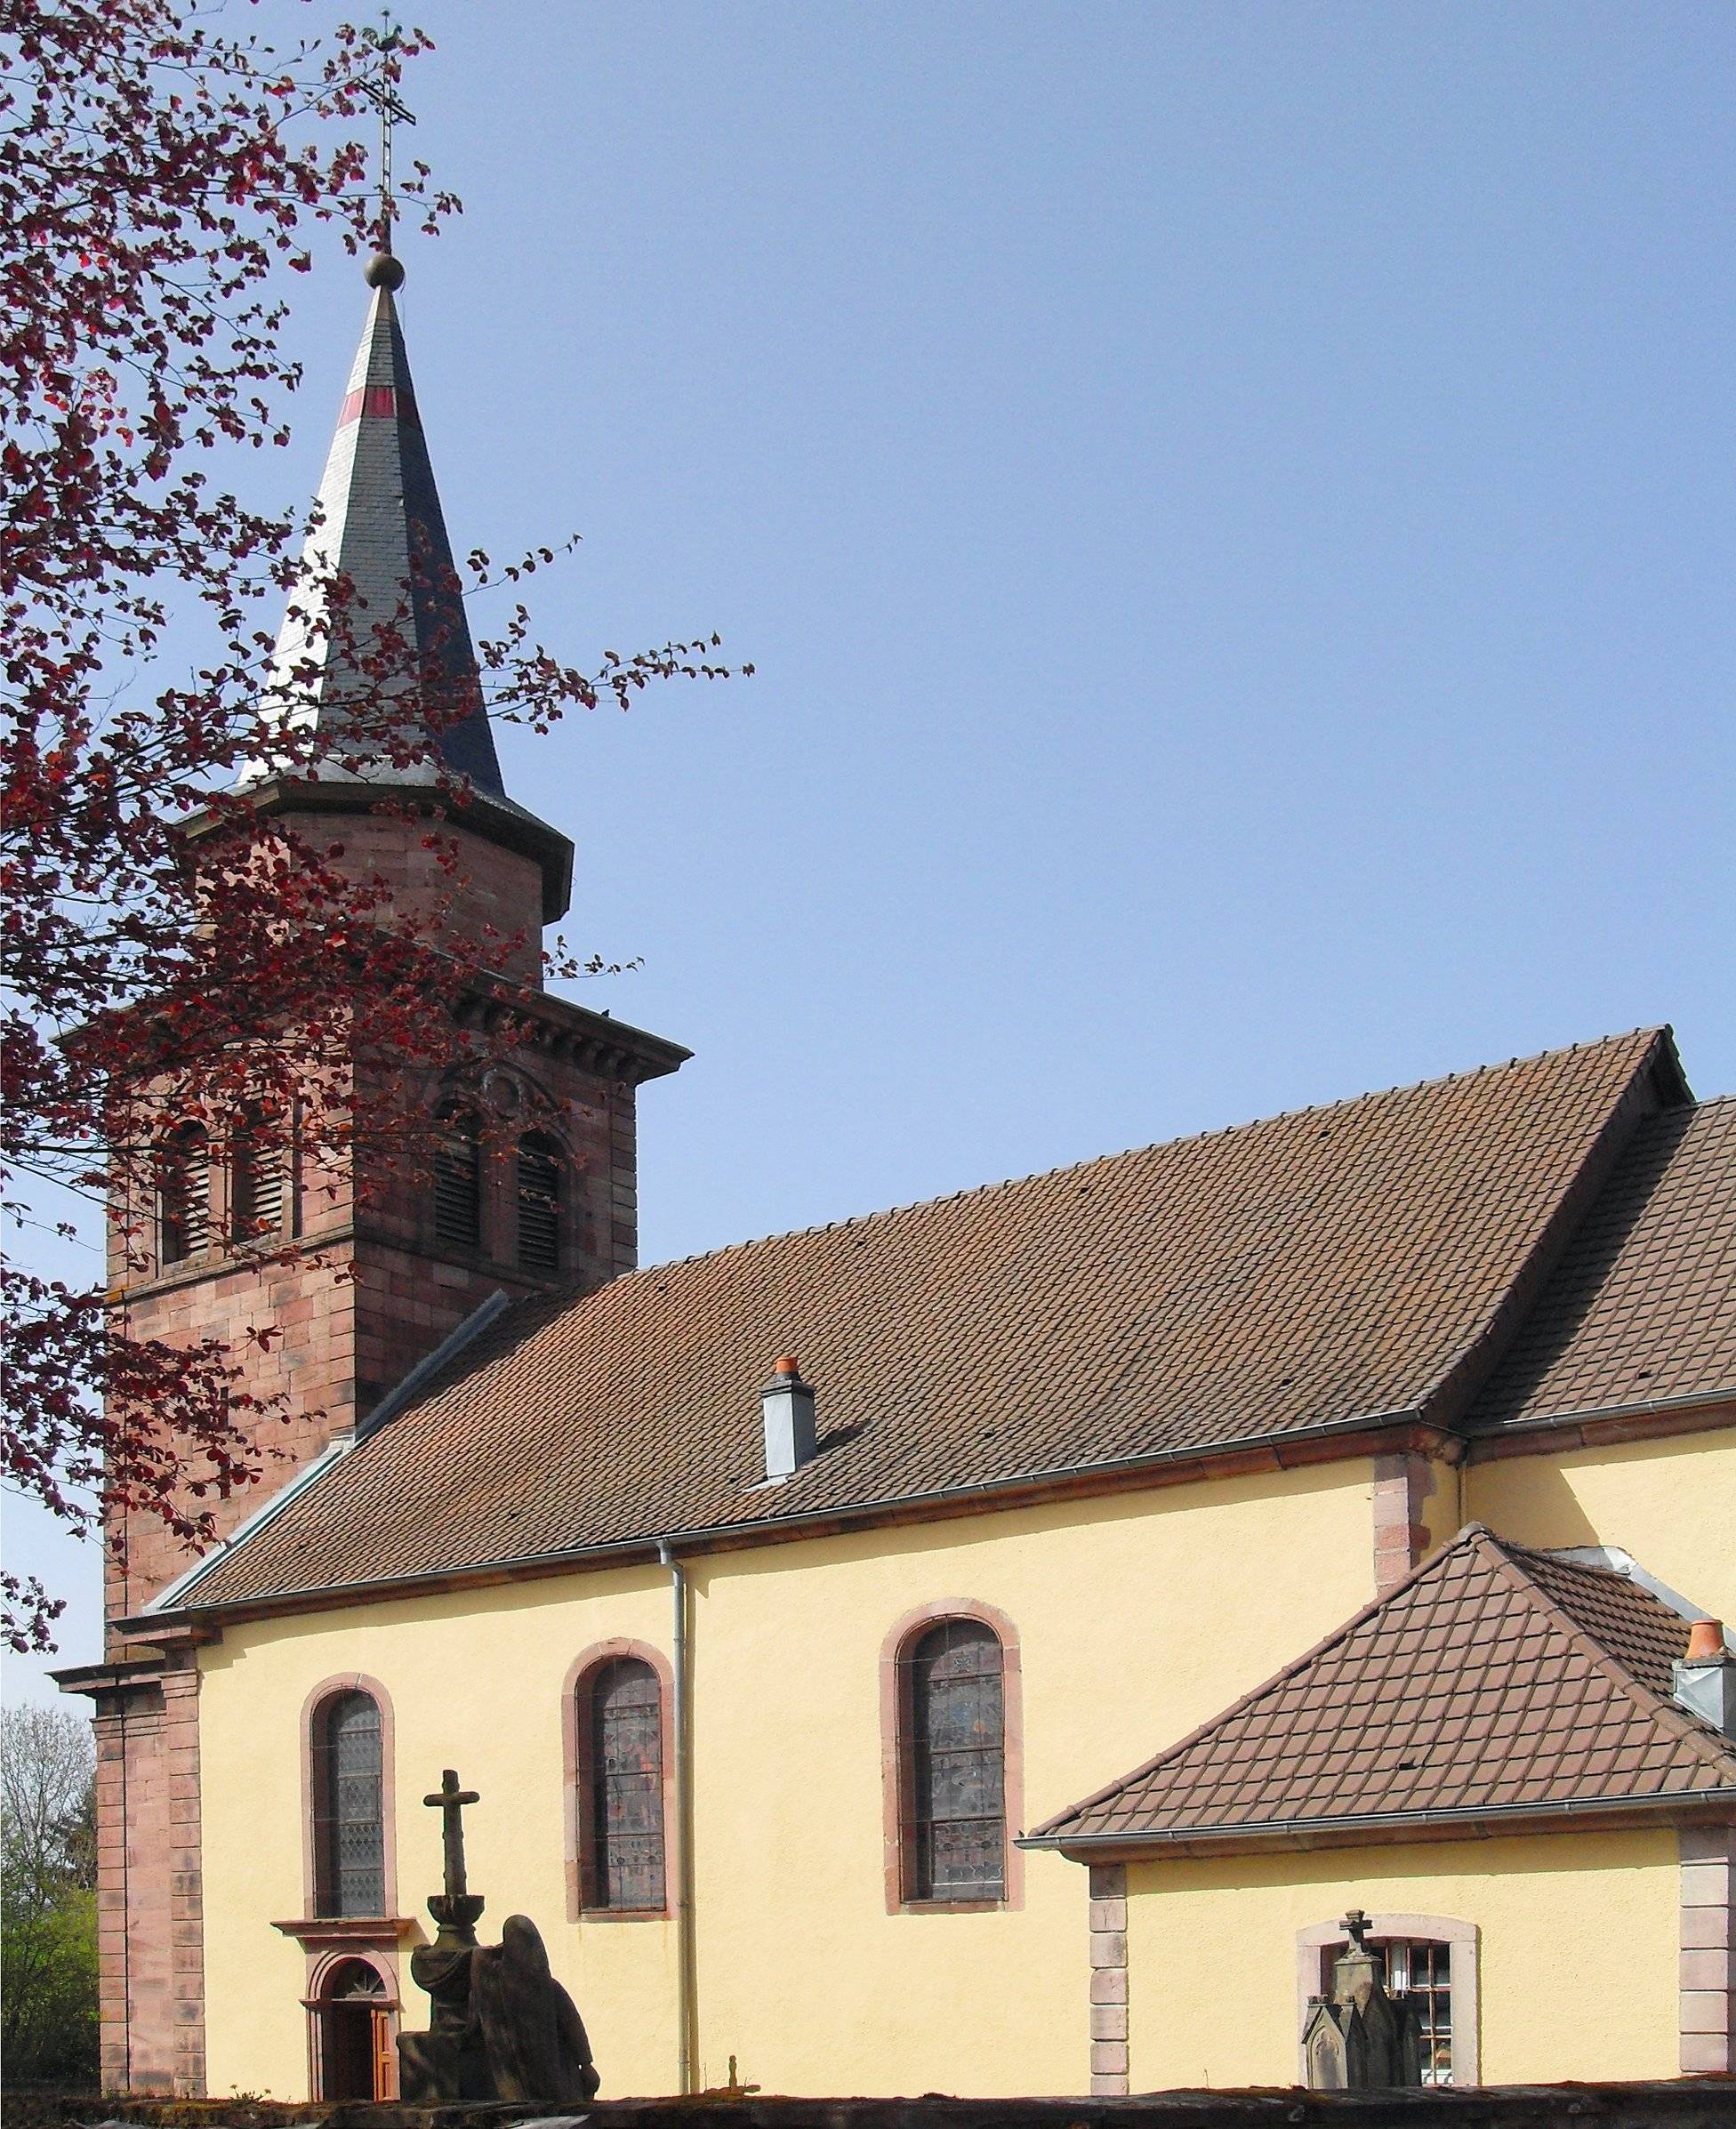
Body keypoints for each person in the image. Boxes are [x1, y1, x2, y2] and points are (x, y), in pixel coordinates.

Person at [467, 1913, 600, 2104]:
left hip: (546, 2077)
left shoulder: (542, 1988)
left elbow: (573, 2026)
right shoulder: (501, 1988)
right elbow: (573, 2026)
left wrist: (586, 2064)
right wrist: (586, 2064)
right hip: (528, 2080)